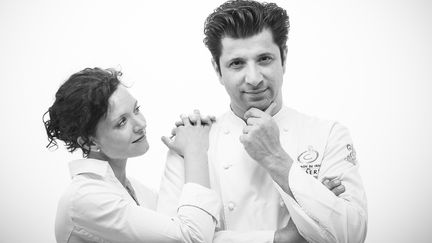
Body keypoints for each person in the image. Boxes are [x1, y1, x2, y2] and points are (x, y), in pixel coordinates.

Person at [157, 0, 368, 242]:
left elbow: (352, 234)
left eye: (264, 59)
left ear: (284, 58)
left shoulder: (328, 134)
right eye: (237, 63)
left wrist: (275, 157)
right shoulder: (191, 144)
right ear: (217, 70)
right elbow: (171, 239)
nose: (254, 78)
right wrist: (285, 237)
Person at [43, 67, 221, 243]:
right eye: (122, 122)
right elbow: (193, 238)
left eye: (136, 110)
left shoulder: (139, 191)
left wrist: (181, 152)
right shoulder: (85, 198)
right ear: (89, 143)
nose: (140, 124)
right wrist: (195, 150)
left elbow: (187, 226)